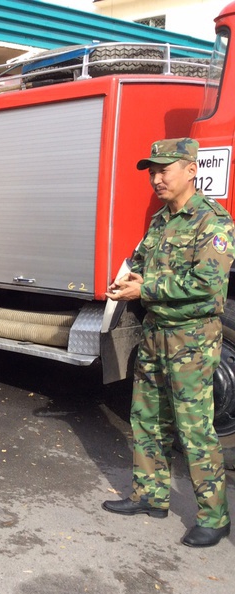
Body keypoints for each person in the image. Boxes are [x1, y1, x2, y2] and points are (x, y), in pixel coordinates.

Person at [102, 138, 234, 548]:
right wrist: (125, 281)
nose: (156, 179)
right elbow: (141, 263)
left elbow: (207, 285)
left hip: (191, 339)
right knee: (147, 417)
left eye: (164, 170)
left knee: (194, 428)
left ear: (191, 170)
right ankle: (150, 495)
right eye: (152, 172)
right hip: (156, 333)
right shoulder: (161, 221)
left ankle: (214, 517)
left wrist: (144, 289)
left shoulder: (213, 221)